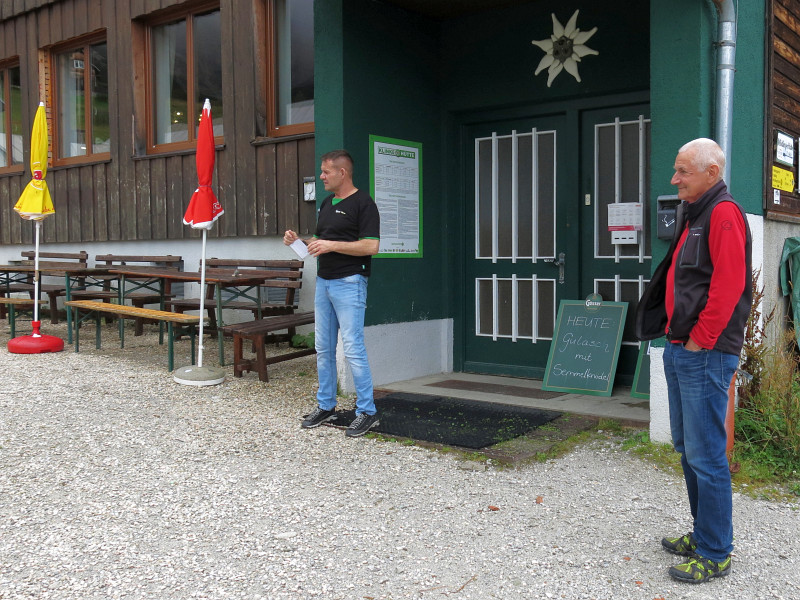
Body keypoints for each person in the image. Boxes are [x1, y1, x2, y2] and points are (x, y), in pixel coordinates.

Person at [635, 138, 752, 583]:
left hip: (704, 353)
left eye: (683, 171)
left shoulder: (723, 214)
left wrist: (700, 342)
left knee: (706, 456)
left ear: (711, 172)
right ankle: (705, 534)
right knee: (689, 450)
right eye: (676, 169)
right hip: (682, 348)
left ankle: (716, 552)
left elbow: (728, 286)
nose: (674, 179)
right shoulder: (696, 212)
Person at [283, 150, 381, 438]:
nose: (322, 176)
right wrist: (299, 241)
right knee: (323, 348)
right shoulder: (327, 203)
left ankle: (367, 412)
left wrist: (330, 245)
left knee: (352, 348)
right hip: (324, 282)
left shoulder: (364, 203)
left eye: (326, 172)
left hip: (350, 282)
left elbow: (371, 246)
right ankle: (326, 405)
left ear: (342, 173)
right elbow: (320, 241)